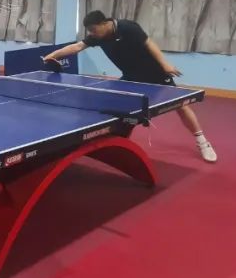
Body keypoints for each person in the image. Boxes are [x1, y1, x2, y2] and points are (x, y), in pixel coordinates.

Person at [43, 10, 217, 163]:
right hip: (131, 77)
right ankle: (119, 142)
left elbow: (149, 43)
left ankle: (203, 142)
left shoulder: (128, 28)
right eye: (90, 31)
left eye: (94, 30)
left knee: (181, 105)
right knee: (120, 107)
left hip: (155, 74)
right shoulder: (98, 37)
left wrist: (165, 64)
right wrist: (53, 55)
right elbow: (77, 46)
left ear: (104, 23)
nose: (92, 34)